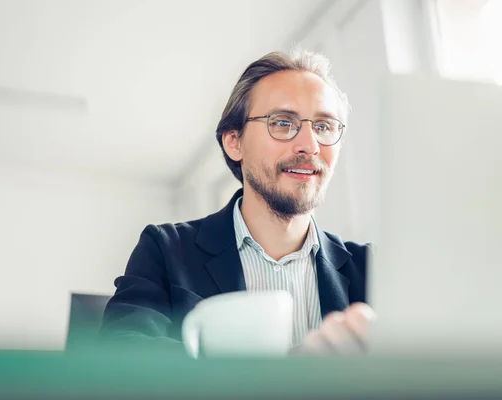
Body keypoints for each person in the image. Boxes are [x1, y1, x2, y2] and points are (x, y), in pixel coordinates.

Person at [101, 48, 375, 355]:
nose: (309, 145)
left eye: (323, 127)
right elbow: (121, 353)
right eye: (282, 122)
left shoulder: (373, 269)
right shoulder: (165, 249)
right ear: (234, 142)